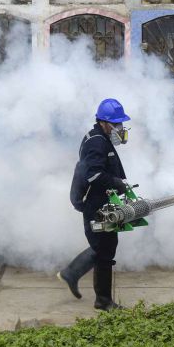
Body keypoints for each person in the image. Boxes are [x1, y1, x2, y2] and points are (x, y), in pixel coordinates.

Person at [58, 98, 131, 311]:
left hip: (104, 202)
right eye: (116, 124)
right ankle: (103, 301)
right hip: (96, 206)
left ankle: (71, 273)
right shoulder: (96, 142)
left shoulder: (102, 138)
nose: (120, 128)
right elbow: (93, 175)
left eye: (121, 124)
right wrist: (117, 183)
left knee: (104, 247)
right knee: (104, 251)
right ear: (104, 122)